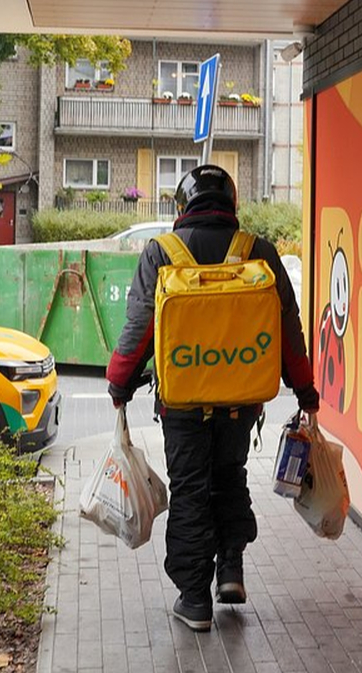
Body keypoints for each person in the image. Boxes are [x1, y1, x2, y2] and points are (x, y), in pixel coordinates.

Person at [106, 165, 319, 632]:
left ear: (182, 207)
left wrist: (119, 382)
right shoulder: (258, 251)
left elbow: (139, 328)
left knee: (190, 490)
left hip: (183, 405)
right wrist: (305, 390)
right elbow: (289, 331)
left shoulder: (162, 253)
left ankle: (195, 599)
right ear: (232, 204)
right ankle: (231, 572)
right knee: (229, 476)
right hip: (242, 402)